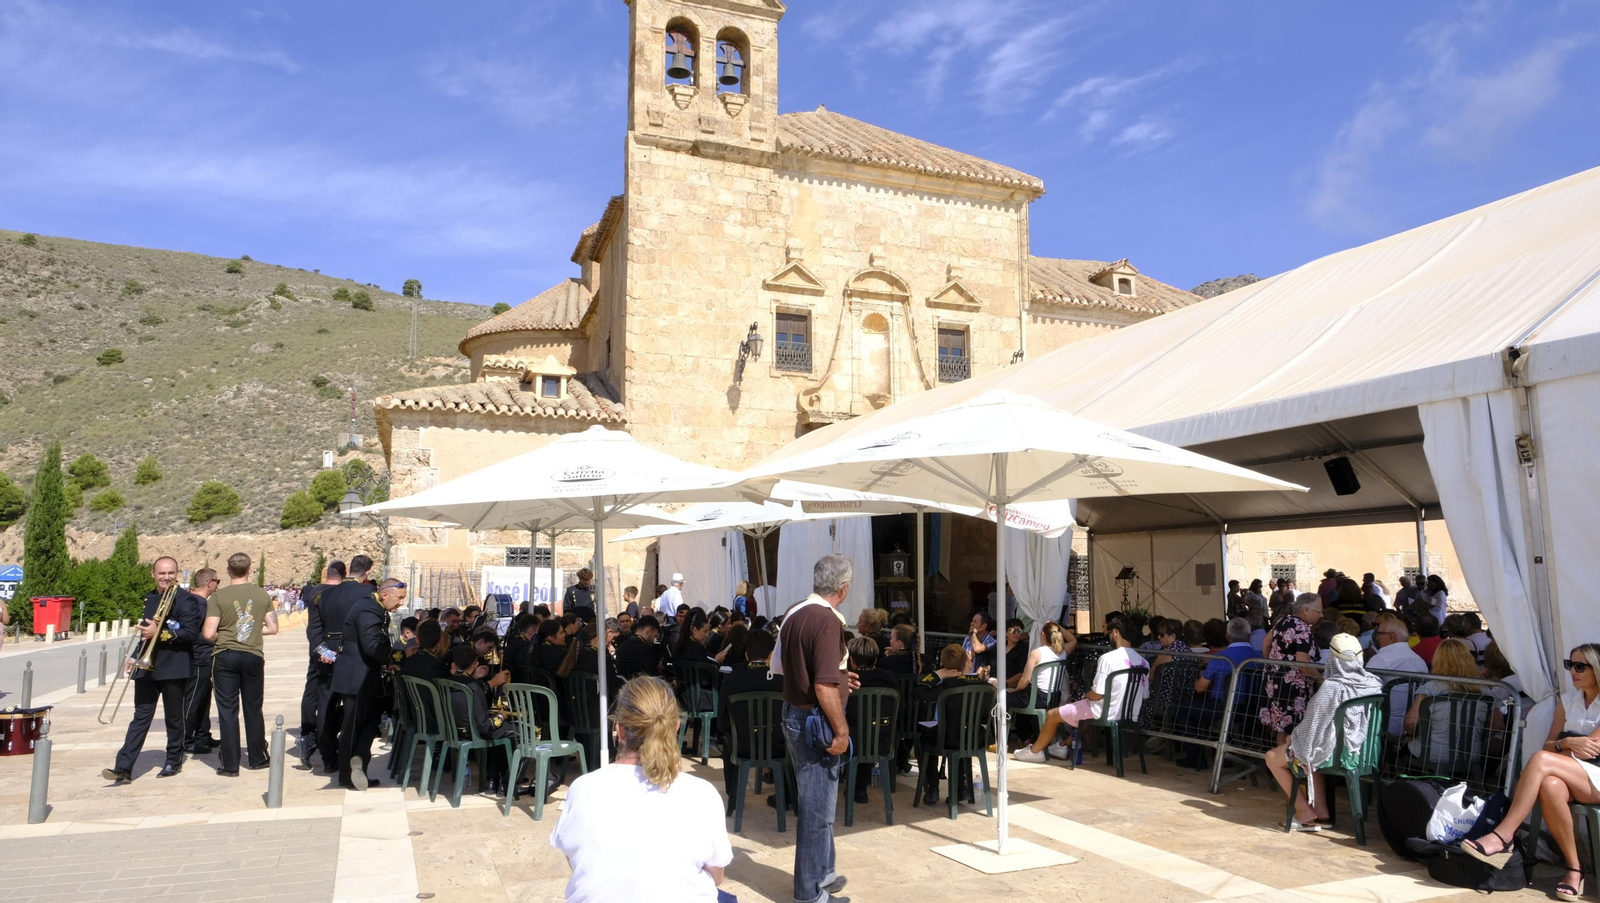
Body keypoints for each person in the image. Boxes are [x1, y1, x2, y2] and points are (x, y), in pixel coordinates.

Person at [551, 676, 733, 902]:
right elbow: (716, 876)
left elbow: (575, 861)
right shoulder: (702, 794)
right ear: (676, 727)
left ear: (620, 730)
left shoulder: (582, 788)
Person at [1462, 643, 1600, 901]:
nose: (1573, 671)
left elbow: (1591, 751)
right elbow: (1551, 744)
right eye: (1570, 665)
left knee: (1540, 760)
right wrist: (1567, 743)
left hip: (1597, 778)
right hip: (1572, 774)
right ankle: (1574, 868)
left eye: (1580, 666)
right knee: (1549, 784)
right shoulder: (1568, 700)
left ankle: (1504, 835)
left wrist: (1561, 746)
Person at [773, 555, 855, 903]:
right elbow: (822, 686)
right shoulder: (825, 621)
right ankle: (809, 892)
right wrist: (842, 731)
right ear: (844, 588)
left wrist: (840, 678)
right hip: (814, 721)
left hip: (795, 713)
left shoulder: (795, 612)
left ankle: (824, 872)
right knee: (816, 810)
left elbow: (777, 665)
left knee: (819, 805)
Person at [1264, 633, 1383, 829]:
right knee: (1305, 749)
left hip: (1337, 752)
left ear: (1333, 659)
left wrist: (1292, 738)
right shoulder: (1373, 683)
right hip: (1364, 750)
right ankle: (1320, 810)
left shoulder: (1331, 687)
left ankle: (1303, 811)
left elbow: (1312, 726)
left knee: (1272, 757)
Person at [103, 556, 205, 783]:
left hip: (174, 666)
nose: (166, 577)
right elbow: (144, 634)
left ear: (177, 574)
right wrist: (133, 657)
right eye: (161, 573)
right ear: (153, 574)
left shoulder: (186, 600)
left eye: (170, 573)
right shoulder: (150, 599)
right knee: (140, 717)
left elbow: (190, 633)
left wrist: (161, 633)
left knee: (174, 717)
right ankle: (124, 767)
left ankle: (173, 759)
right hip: (147, 666)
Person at [1015, 615, 1145, 763]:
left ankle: (1035, 751)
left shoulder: (1108, 658)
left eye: (1109, 634)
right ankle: (1062, 745)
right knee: (1085, 714)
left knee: (1052, 714)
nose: (1109, 637)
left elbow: (1097, 694)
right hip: (1130, 713)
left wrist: (1086, 695)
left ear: (1115, 633)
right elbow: (1144, 694)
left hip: (1104, 711)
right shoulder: (1143, 662)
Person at [202, 553, 278, 776]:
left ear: (227, 570)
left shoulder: (218, 597)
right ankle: (258, 758)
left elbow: (208, 633)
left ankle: (230, 764)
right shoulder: (262, 594)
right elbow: (273, 628)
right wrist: (251, 632)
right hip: (253, 655)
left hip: (225, 655)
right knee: (253, 708)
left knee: (227, 711)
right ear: (250, 568)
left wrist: (230, 634)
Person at [330, 575, 407, 790]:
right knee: (352, 727)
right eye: (399, 598)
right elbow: (372, 645)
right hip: (356, 678)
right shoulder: (368, 609)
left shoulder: (374, 607)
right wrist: (396, 656)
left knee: (370, 723)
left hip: (365, 677)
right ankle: (347, 774)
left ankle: (359, 761)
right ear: (385, 594)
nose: (401, 603)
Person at [717, 628, 783, 804]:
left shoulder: (732, 679)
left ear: (746, 655)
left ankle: (734, 796)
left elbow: (722, 721)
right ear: (771, 653)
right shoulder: (781, 679)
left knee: (727, 738)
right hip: (777, 746)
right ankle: (787, 795)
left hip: (743, 745)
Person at [1403, 638, 1490, 764]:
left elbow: (1411, 722)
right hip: (1471, 756)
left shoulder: (1430, 688)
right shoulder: (1485, 690)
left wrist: (1409, 736)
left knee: (1399, 754)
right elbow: (1496, 725)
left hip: (1430, 754)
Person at [444, 644, 517, 793]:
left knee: (502, 733)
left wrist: (474, 678)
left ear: (453, 664)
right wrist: (501, 717)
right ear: (476, 664)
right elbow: (485, 727)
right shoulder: (474, 687)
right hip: (475, 732)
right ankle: (507, 783)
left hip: (456, 731)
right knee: (525, 733)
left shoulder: (447, 681)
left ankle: (492, 780)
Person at [300, 560, 345, 766]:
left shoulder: (314, 593)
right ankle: (326, 738)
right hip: (338, 651)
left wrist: (321, 649)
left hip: (317, 649)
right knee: (331, 699)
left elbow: (313, 627)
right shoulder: (343, 594)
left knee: (312, 694)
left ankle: (307, 734)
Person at [1260, 593, 1322, 736]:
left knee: (1281, 728)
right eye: (1318, 611)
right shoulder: (1303, 629)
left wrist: (1271, 662)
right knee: (1293, 729)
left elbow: (1266, 641)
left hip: (1274, 681)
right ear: (1306, 610)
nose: (1321, 615)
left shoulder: (1283, 621)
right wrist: (1321, 680)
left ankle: (1279, 758)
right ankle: (1289, 758)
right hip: (1292, 687)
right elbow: (1303, 664)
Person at [845, 636, 897, 806]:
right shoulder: (890, 678)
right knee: (869, 727)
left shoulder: (849, 680)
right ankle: (860, 789)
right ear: (875, 658)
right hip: (883, 741)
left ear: (851, 659)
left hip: (851, 743)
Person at [1366, 613, 1428, 736]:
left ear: (1391, 637)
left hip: (1382, 727)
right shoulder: (1420, 661)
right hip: (1413, 728)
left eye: (1379, 634)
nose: (1376, 638)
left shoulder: (1381, 659)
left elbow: (1363, 691)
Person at [182, 568, 221, 755]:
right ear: (209, 583)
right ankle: (186, 739)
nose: (217, 585)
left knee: (204, 699)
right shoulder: (198, 605)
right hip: (198, 658)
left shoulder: (197, 602)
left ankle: (203, 735)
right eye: (217, 581)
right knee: (193, 701)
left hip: (204, 657)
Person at [1007, 620, 1074, 709]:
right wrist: (1056, 626)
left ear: (1042, 634)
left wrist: (1015, 690)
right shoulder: (1062, 652)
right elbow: (1073, 640)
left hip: (1037, 698)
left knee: (1002, 698)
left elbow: (1024, 681)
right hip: (1055, 697)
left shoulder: (1036, 653)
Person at [962, 611, 997, 676]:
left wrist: (972, 633)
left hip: (981, 680)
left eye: (975, 622)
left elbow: (977, 649)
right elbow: (960, 657)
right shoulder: (967, 639)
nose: (971, 624)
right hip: (965, 676)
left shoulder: (992, 641)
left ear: (983, 626)